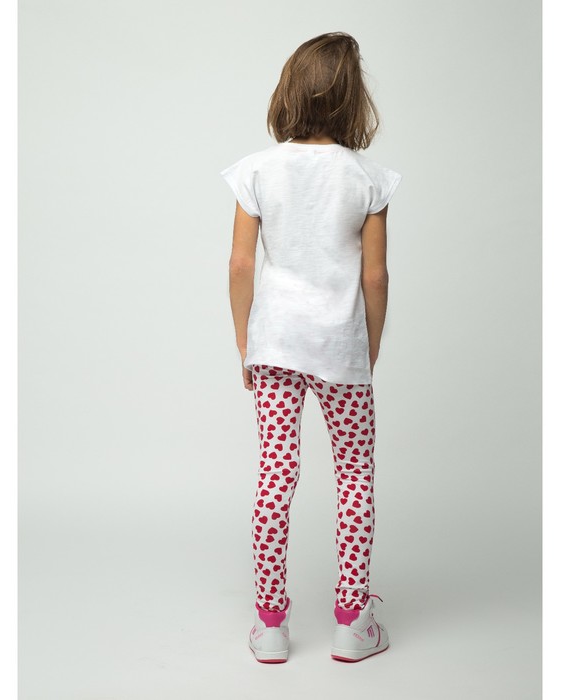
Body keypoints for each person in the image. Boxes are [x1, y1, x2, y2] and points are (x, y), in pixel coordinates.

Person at [220, 31, 402, 664]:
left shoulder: (256, 170)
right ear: (354, 100)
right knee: (354, 475)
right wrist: (367, 348)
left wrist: (246, 342)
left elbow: (241, 265)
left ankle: (270, 625)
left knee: (276, 472)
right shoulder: (368, 180)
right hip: (339, 347)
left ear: (289, 91)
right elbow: (375, 278)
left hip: (274, 345)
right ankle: (353, 622)